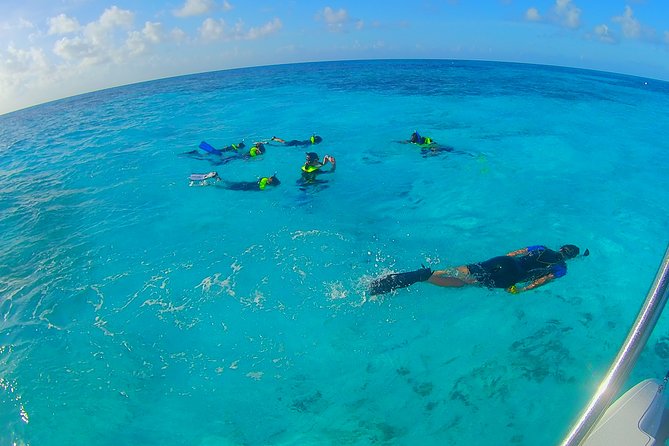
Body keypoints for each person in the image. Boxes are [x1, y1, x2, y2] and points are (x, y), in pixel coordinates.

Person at [369, 244, 590, 296]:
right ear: (570, 257)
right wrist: (522, 290)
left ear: (561, 247)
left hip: (502, 261)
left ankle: (428, 273)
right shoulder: (562, 269)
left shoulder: (542, 247)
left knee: (459, 270)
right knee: (465, 283)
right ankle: (423, 278)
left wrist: (503, 260)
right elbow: (543, 280)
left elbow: (515, 253)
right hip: (512, 276)